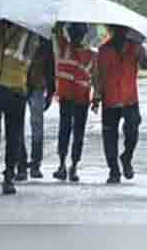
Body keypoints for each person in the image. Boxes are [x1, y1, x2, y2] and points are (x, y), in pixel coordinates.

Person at [0, 15, 41, 195]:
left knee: (13, 135)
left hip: (16, 87)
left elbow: (33, 59)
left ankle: (9, 176)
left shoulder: (29, 33)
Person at [93, 25, 147, 184]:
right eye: (117, 29)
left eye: (124, 30)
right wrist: (96, 97)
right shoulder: (104, 50)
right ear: (112, 30)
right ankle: (114, 170)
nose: (121, 32)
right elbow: (98, 75)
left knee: (132, 132)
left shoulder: (135, 48)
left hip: (130, 99)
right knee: (109, 137)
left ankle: (126, 158)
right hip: (110, 99)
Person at [52, 22, 96, 182]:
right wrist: (96, 98)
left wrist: (61, 20)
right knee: (78, 133)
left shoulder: (64, 48)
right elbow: (96, 78)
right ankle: (73, 167)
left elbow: (55, 31)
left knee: (64, 131)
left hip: (67, 98)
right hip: (81, 99)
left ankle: (63, 165)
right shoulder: (91, 55)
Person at [14, 25, 55, 181]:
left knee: (33, 127)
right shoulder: (23, 35)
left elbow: (50, 65)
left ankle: (32, 164)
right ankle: (24, 165)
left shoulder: (44, 39)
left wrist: (51, 90)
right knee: (23, 127)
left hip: (33, 85)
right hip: (21, 84)